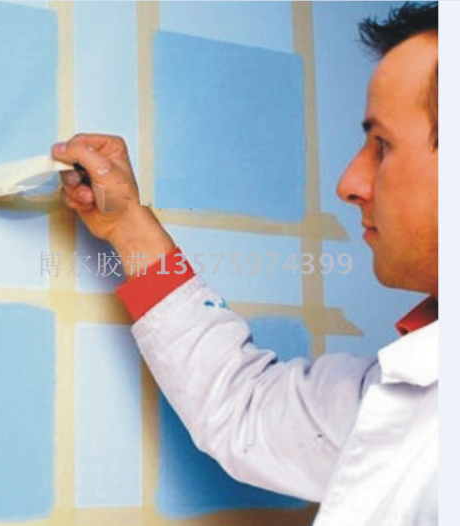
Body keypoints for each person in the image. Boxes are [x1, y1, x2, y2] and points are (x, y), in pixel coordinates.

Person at [52, 2, 438, 524]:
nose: (348, 183)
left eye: (383, 146)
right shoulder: (407, 396)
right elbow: (246, 409)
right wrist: (127, 226)